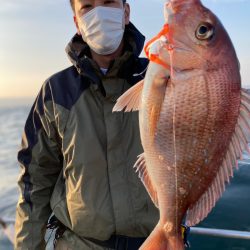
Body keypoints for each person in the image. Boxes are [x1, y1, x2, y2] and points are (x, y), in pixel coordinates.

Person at [14, 0, 159, 249]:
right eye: (88, 7)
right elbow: (34, 182)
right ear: (77, 23)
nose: (99, 13)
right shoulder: (55, 92)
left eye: (108, 2)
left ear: (125, 12)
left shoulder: (160, 80)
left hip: (157, 241)